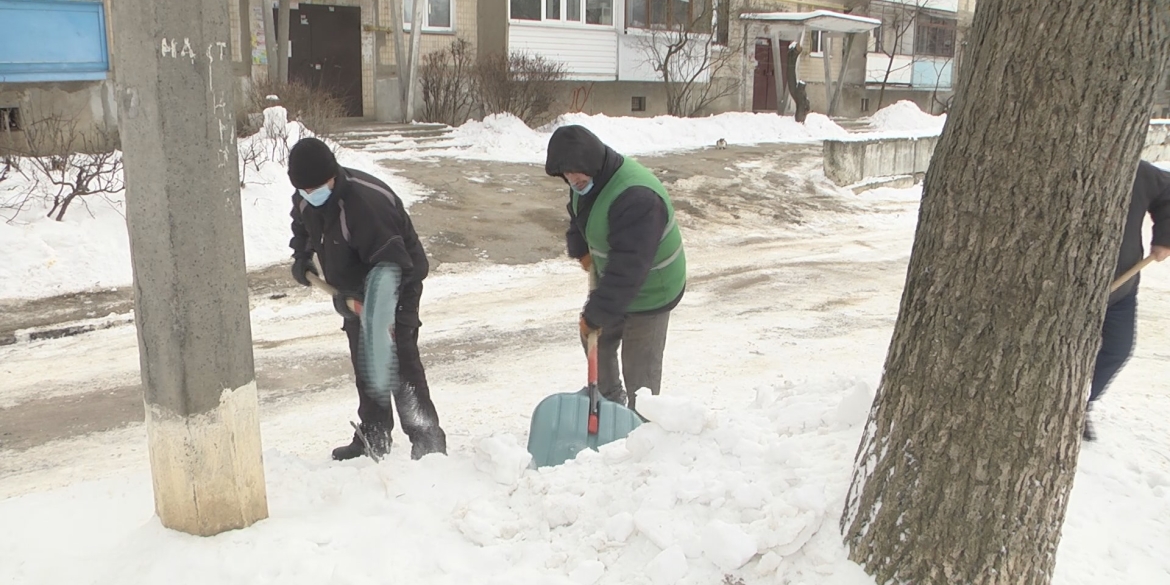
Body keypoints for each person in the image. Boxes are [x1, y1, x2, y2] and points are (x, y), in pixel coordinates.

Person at [286, 137, 446, 461]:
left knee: (397, 359)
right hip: (351, 286)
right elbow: (302, 225)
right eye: (304, 190)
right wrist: (302, 256)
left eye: (316, 188)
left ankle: (427, 441)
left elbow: (392, 266)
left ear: (333, 176)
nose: (309, 195)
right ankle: (374, 435)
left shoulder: (365, 204)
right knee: (365, 358)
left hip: (398, 279)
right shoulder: (306, 195)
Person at [544, 125, 686, 411]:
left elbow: (628, 269)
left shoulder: (637, 197)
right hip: (619, 281)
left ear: (591, 162)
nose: (572, 180)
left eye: (576, 172)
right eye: (565, 175)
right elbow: (580, 217)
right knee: (595, 337)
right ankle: (609, 402)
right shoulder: (587, 183)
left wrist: (597, 312)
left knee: (640, 369)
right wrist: (581, 249)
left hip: (653, 288)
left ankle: (641, 423)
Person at [1085, 159, 1170, 441]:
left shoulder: (1136, 171)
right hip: (1066, 292)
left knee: (1117, 349)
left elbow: (1167, 192)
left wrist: (1165, 238)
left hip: (1120, 286)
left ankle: (1081, 405)